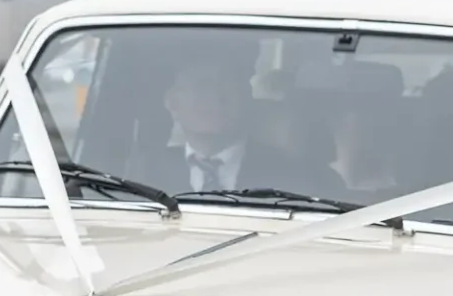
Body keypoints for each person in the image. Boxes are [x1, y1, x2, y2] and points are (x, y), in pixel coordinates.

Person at [133, 48, 327, 195]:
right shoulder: (143, 173)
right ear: (173, 103)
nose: (216, 98)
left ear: (246, 97)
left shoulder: (293, 174)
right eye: (203, 86)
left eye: (228, 85)